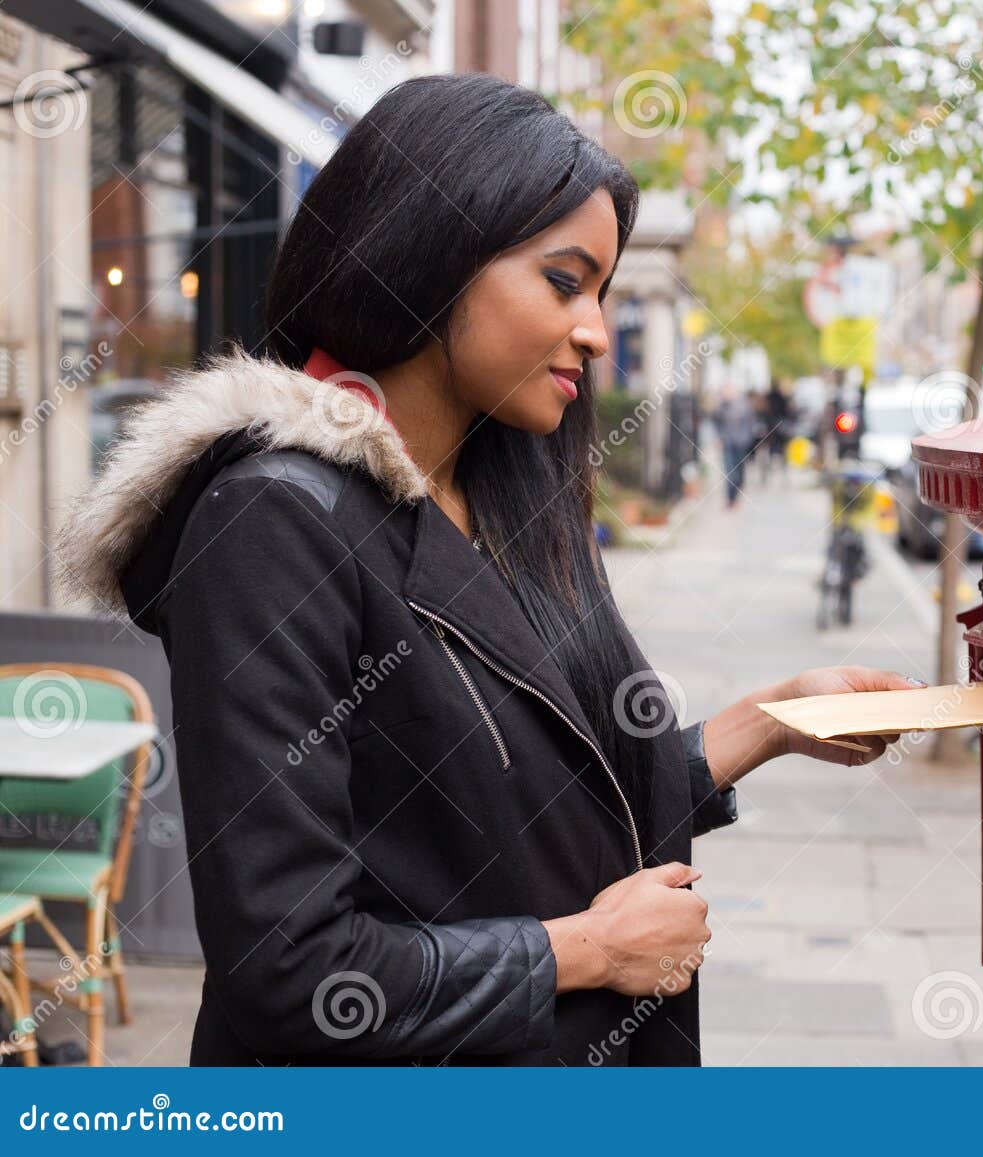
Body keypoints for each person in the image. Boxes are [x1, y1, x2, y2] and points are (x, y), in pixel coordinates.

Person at [55, 74, 919, 1067]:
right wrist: (584, 950)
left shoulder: (497, 495)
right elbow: (289, 965)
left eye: (600, 289)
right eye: (564, 280)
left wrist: (774, 718)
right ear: (429, 252)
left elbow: (544, 812)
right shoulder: (274, 520)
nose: (595, 330)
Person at [709, 387, 760, 507]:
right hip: (727, 444)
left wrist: (748, 439)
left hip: (741, 444)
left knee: (739, 471)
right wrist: (719, 438)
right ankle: (730, 499)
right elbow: (716, 424)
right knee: (730, 472)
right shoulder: (721, 408)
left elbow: (751, 424)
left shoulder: (744, 406)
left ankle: (736, 493)